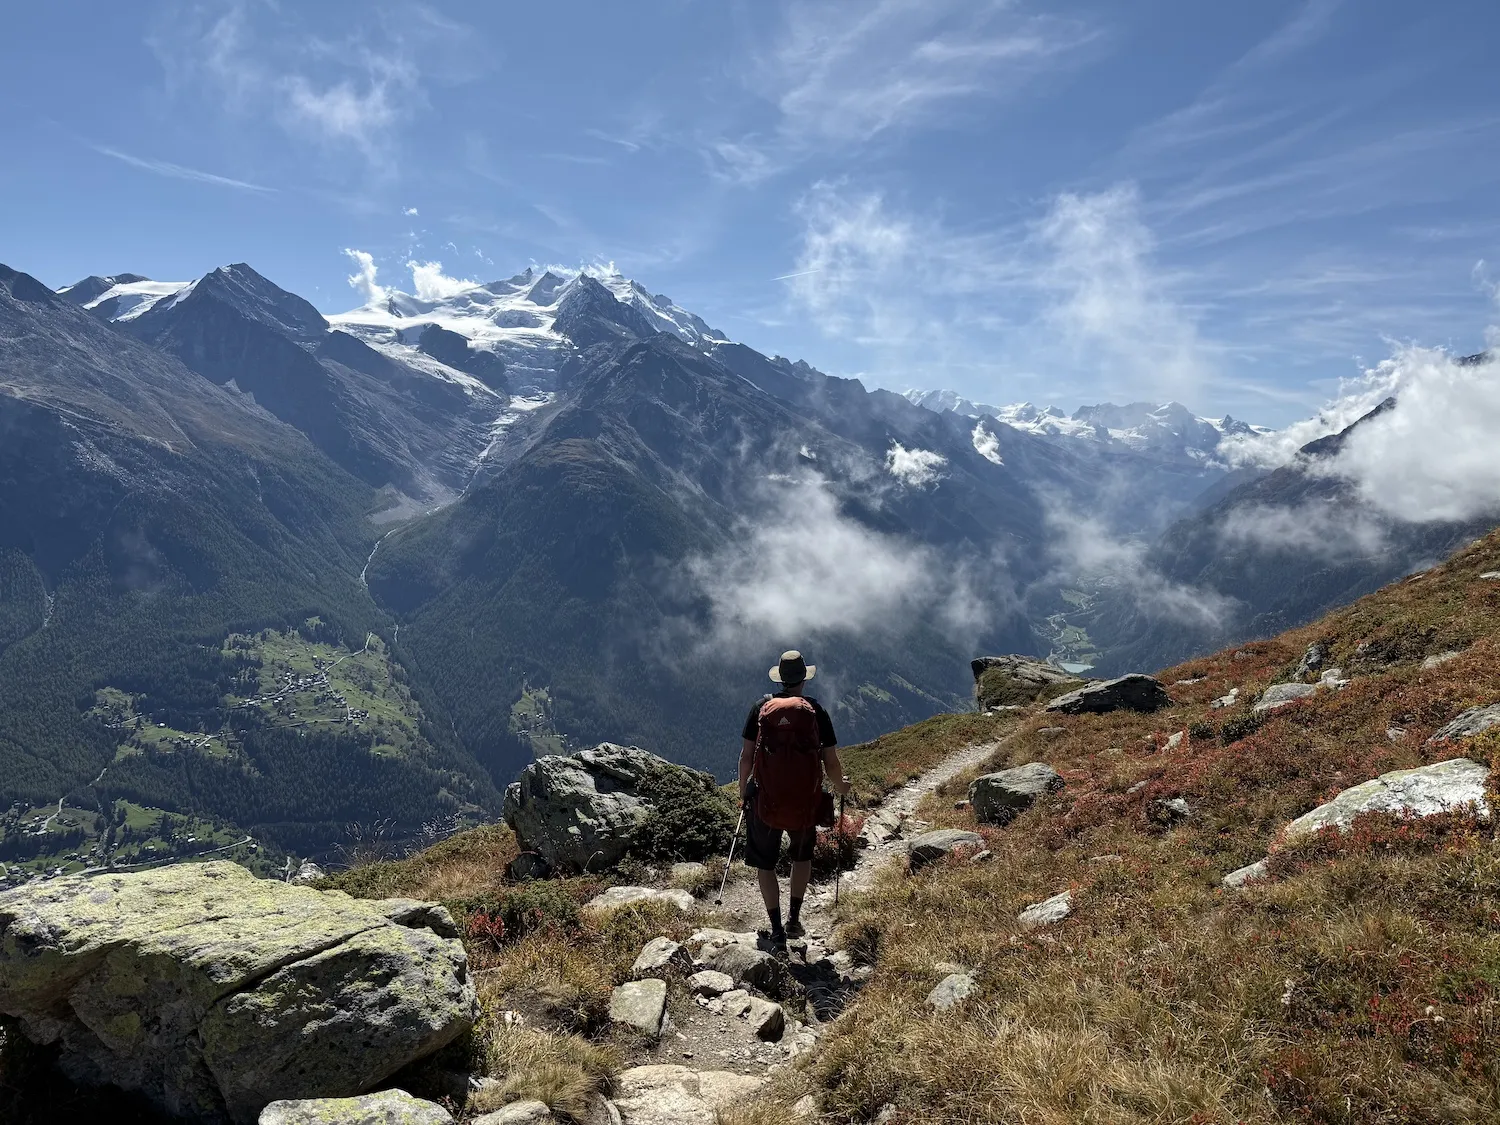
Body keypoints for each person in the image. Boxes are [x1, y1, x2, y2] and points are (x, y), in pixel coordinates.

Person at [738, 649, 850, 948]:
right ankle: (794, 919)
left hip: (765, 801)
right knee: (802, 857)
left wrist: (743, 792)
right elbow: (831, 760)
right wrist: (841, 786)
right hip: (804, 801)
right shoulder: (815, 711)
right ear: (803, 679)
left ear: (781, 678)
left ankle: (775, 927)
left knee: (766, 863)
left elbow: (747, 757)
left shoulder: (761, 708)